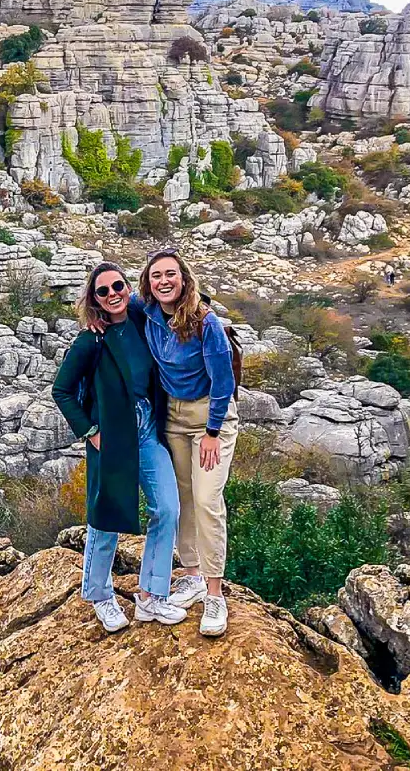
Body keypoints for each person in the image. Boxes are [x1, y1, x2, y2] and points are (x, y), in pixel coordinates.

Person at [52, 261, 186, 633]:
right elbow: (61, 391)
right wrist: (90, 431)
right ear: (93, 299)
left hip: (147, 431)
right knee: (105, 514)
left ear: (128, 287)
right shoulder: (90, 341)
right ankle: (99, 595)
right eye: (103, 291)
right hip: (110, 435)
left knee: (167, 509)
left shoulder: (145, 321)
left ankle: (151, 595)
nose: (112, 295)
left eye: (117, 286)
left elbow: (182, 303)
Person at [136, 249, 238, 637]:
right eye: (157, 275)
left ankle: (215, 593)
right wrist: (93, 320)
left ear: (184, 279)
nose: (164, 281)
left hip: (211, 417)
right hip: (173, 419)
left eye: (171, 275)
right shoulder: (147, 310)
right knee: (182, 500)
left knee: (208, 499)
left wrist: (212, 432)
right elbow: (108, 299)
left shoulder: (204, 322)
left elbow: (224, 381)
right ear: (149, 282)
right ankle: (192, 575)